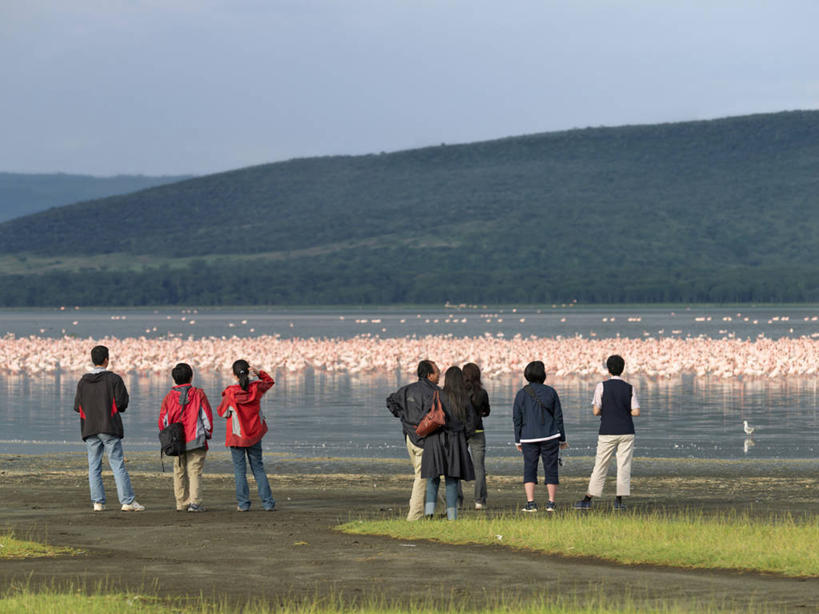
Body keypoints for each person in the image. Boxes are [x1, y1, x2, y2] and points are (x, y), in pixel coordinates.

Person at [73, 345, 144, 512]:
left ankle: (98, 503)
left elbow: (77, 406)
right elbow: (122, 403)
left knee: (94, 465)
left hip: (89, 428)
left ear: (93, 360)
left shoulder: (83, 381)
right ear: (106, 360)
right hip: (109, 427)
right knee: (117, 463)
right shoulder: (114, 379)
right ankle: (127, 502)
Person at [574, 355, 641, 511]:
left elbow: (596, 410)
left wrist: (608, 411)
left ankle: (588, 499)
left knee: (601, 464)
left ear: (608, 369)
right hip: (626, 431)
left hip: (607, 431)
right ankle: (618, 501)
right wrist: (622, 411)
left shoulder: (601, 386)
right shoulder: (630, 387)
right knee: (624, 465)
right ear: (622, 369)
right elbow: (636, 411)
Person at [217, 360, 276, 511]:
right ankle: (268, 503)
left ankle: (243, 505)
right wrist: (259, 373)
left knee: (239, 471)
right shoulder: (256, 388)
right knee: (258, 468)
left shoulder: (230, 393)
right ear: (248, 372)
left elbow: (221, 412)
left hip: (237, 436)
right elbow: (270, 382)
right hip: (255, 434)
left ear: (234, 375)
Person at [386, 359, 440, 521]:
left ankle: (436, 508)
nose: (439, 375)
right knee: (422, 476)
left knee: (424, 474)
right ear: (430, 375)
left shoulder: (405, 390)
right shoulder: (435, 393)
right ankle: (415, 515)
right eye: (437, 372)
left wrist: (403, 417)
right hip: (424, 439)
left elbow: (390, 401)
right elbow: (435, 416)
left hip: (410, 437)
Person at [421, 366, 476, 520]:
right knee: (452, 480)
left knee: (433, 478)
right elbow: (471, 425)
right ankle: (452, 516)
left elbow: (426, 415)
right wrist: (463, 438)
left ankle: (429, 514)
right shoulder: (464, 399)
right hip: (455, 441)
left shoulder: (437, 395)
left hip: (434, 440)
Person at [158, 362, 214, 512]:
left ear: (174, 379)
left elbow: (163, 421)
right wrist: (207, 434)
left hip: (177, 441)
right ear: (191, 377)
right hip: (196, 439)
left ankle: (181, 503)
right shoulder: (198, 394)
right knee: (194, 471)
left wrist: (167, 438)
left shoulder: (169, 397)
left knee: (179, 471)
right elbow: (206, 417)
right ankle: (194, 503)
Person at [513, 360, 567, 513]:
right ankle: (551, 503)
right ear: (543, 375)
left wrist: (518, 440)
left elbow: (517, 419)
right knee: (551, 468)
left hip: (528, 437)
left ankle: (531, 503)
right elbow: (558, 417)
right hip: (550, 435)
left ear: (527, 374)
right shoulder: (551, 392)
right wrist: (562, 438)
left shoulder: (521, 394)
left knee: (529, 468)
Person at [463, 362, 490, 510]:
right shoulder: (482, 392)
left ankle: (457, 500)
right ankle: (479, 501)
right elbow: (487, 412)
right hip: (478, 431)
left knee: (458, 465)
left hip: (461, 432)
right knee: (479, 468)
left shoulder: (458, 393)